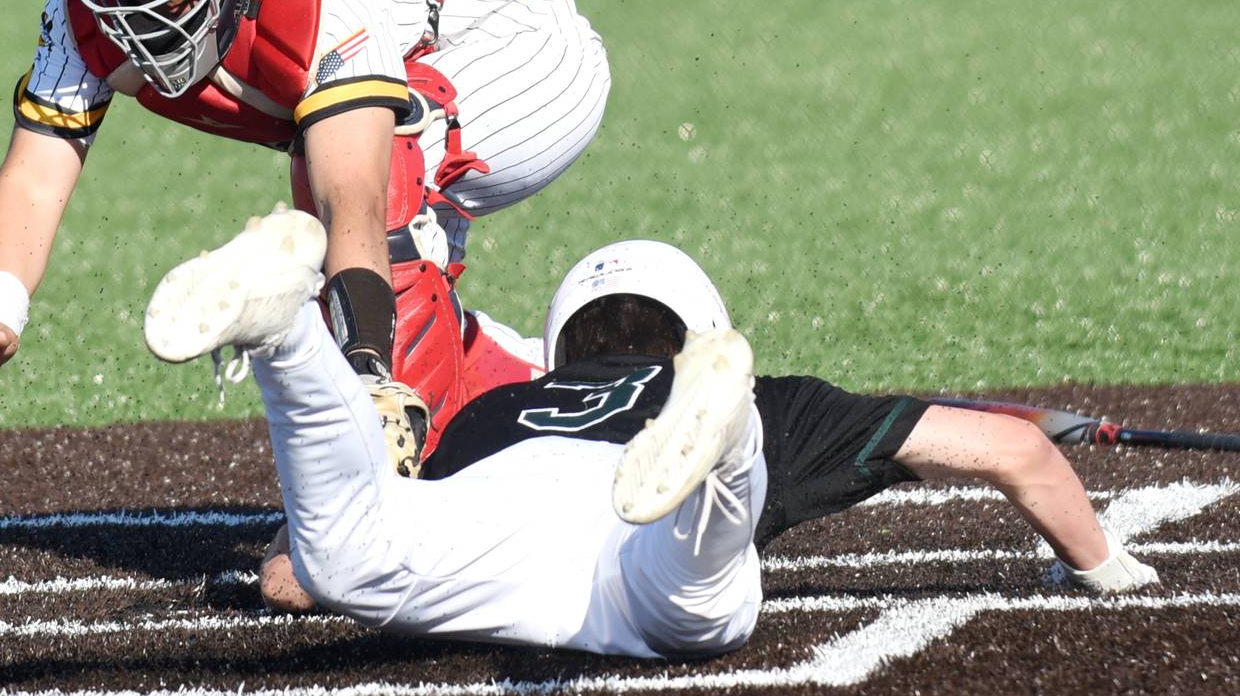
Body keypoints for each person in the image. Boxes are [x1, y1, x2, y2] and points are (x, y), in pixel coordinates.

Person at [0, 0, 607, 474]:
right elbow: (36, 173)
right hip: (422, 84)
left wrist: (365, 371)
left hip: (526, 51)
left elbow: (355, 198)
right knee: (358, 238)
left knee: (358, 200)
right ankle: (584, 387)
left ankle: (396, 476)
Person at [143, 206, 1159, 654]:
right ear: (699, 331)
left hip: (502, 510)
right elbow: (1017, 450)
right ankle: (727, 444)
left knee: (353, 549)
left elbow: (292, 578)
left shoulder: (495, 409)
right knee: (702, 599)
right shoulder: (795, 396)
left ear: (559, 346)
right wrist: (1102, 564)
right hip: (637, 531)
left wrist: (316, 539)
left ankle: (286, 334)